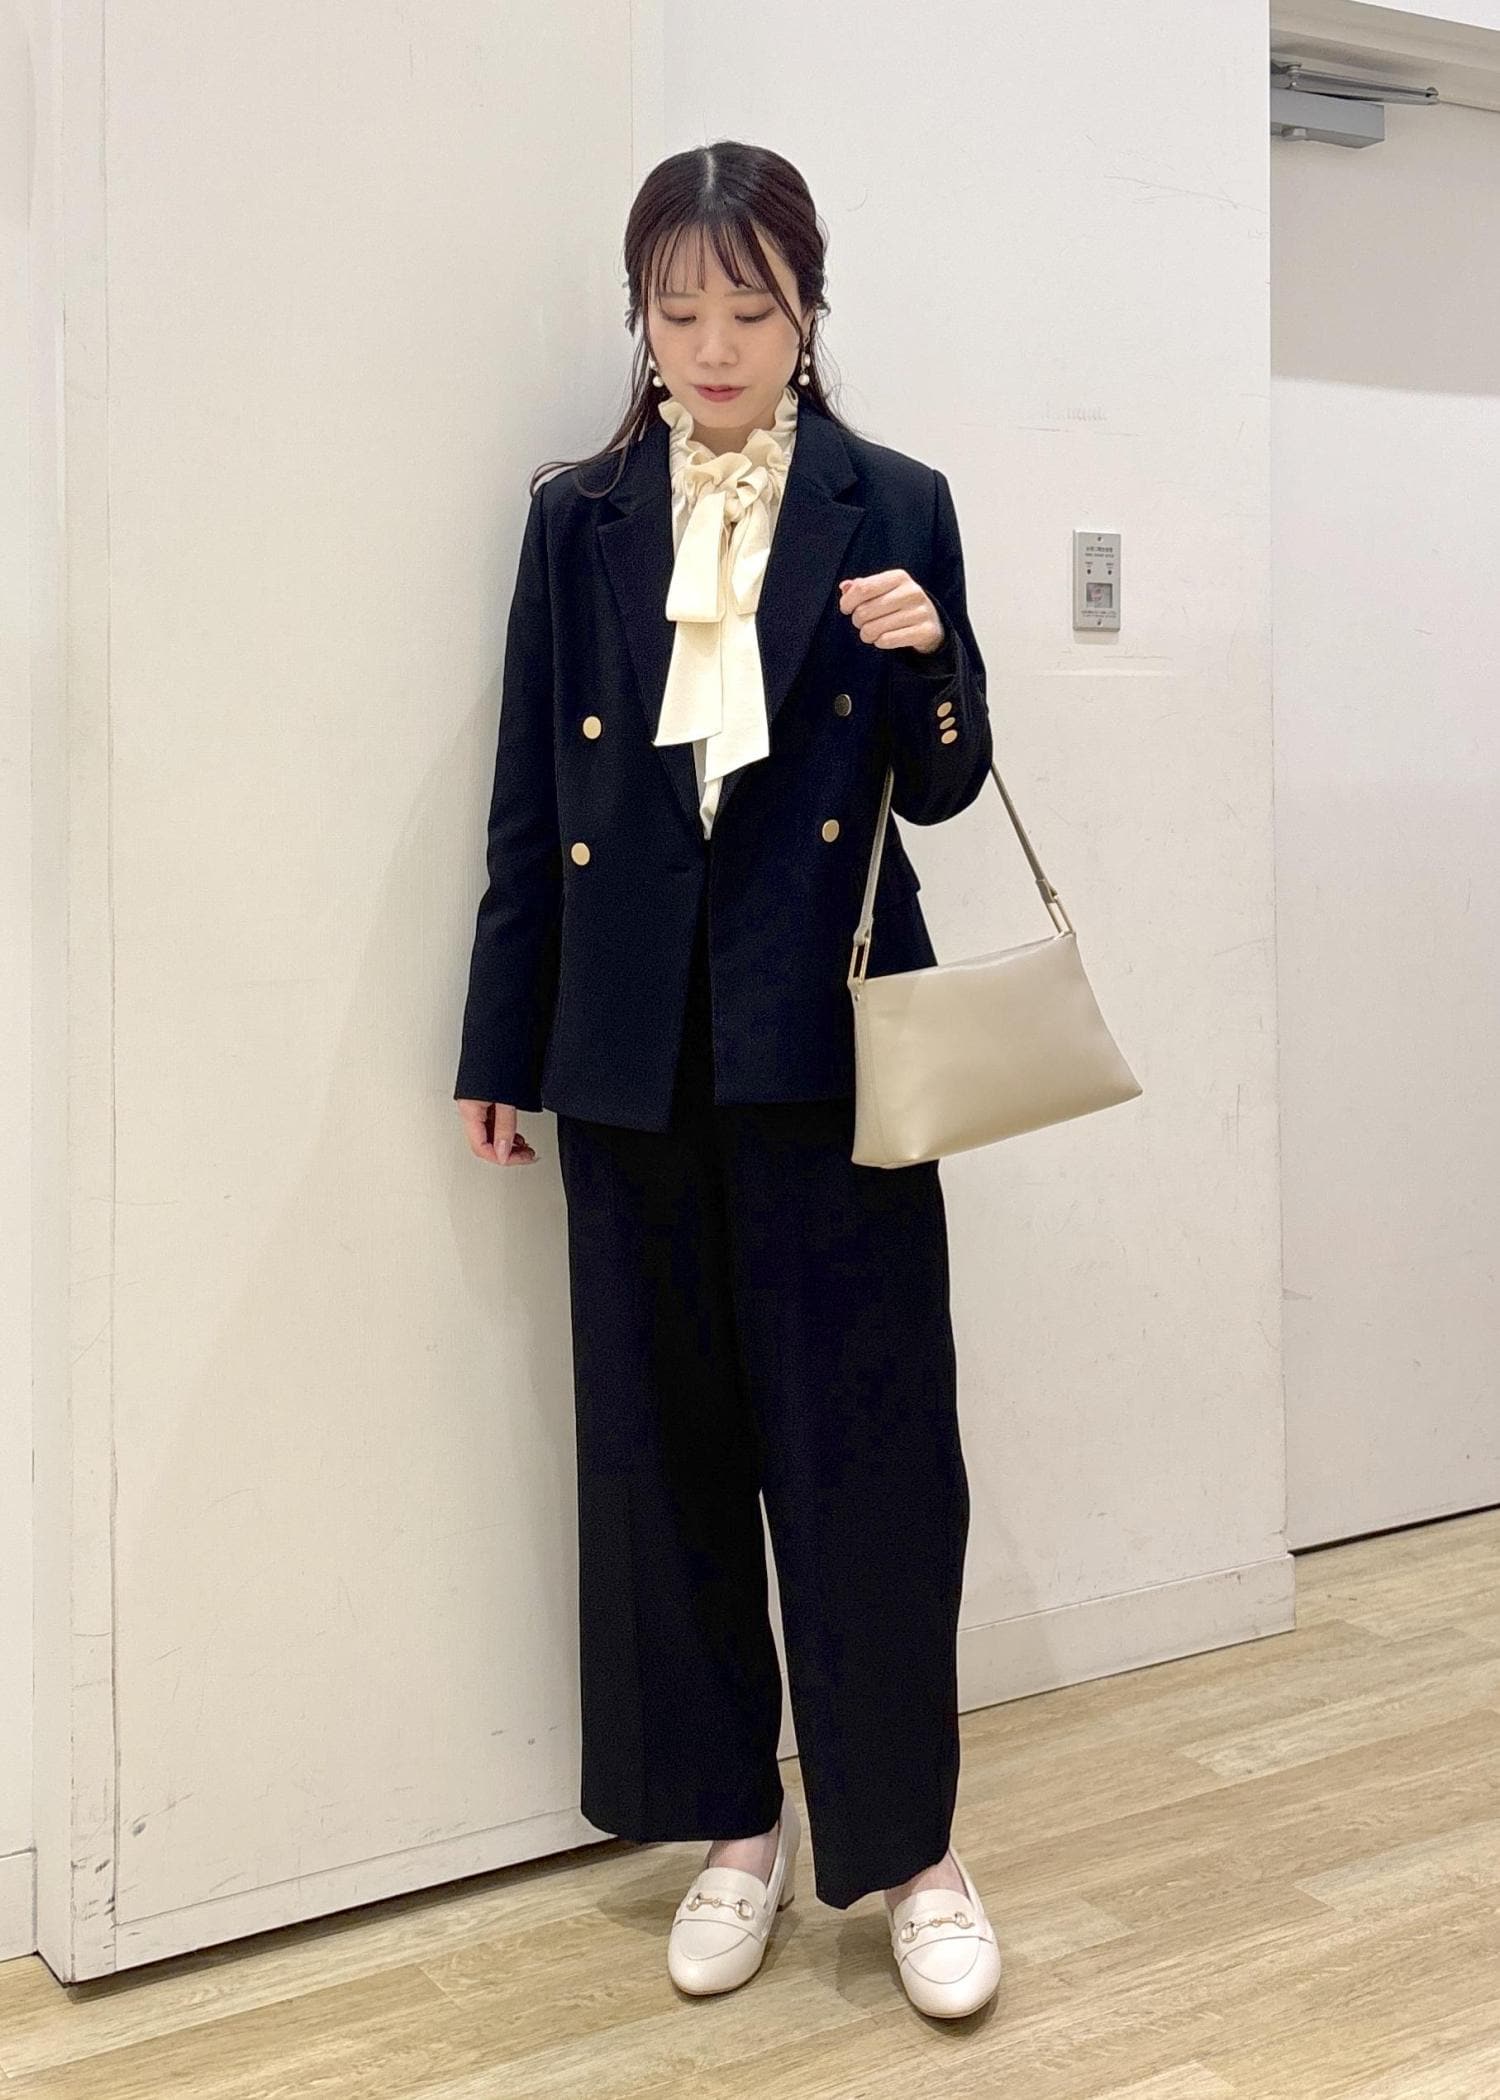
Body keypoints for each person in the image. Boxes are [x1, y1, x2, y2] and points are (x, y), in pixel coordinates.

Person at [454, 140, 1002, 2020]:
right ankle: (732, 1830)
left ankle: (913, 1853)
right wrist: (500, 1042)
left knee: (869, 1457)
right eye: (676, 308)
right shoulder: (579, 517)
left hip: (830, 1047)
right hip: (630, 1053)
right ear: (641, 314)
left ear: (805, 311)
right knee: (663, 1456)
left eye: (747, 308)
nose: (710, 344)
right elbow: (528, 800)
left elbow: (945, 786)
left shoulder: (893, 500)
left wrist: (931, 658)